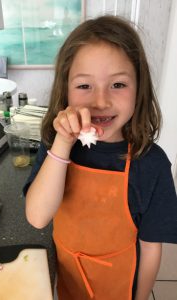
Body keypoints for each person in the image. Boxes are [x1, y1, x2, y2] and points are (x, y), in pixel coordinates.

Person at [24, 15, 177, 300]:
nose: (100, 101)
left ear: (139, 88)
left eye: (118, 85)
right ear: (66, 90)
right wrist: (62, 143)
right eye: (84, 86)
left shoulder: (152, 164)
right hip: (68, 281)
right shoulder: (57, 145)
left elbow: (152, 246)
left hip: (118, 288)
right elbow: (37, 217)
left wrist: (140, 297)